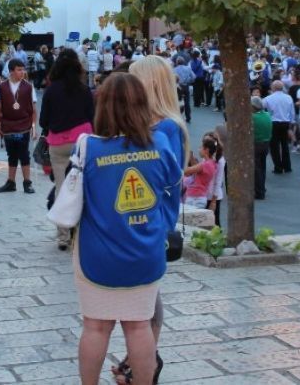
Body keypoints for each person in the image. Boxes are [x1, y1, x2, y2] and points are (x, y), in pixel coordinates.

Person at [74, 73, 182, 385]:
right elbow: (174, 188)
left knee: (95, 326)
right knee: (139, 326)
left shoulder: (89, 148)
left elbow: (74, 198)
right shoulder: (159, 143)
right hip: (145, 250)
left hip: (97, 254)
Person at [38, 49, 94, 251]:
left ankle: (63, 236)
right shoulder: (84, 90)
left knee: (62, 188)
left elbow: (43, 120)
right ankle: (79, 232)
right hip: (83, 143)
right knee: (83, 187)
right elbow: (92, 116)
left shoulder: (51, 91)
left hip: (59, 144)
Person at [0, 59, 37, 194]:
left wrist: (34, 127)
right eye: (19, 69)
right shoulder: (1, 87)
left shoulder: (29, 87)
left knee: (24, 154)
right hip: (7, 125)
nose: (22, 72)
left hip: (24, 124)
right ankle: (11, 182)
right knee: (11, 154)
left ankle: (27, 182)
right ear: (11, 71)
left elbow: (34, 109)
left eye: (23, 69)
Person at [263, 80, 296, 174]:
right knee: (285, 145)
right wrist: (292, 123)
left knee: (274, 146)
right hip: (285, 122)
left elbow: (260, 106)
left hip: (273, 122)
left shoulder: (268, 98)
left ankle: (278, 167)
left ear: (273, 88)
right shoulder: (288, 97)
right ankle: (287, 166)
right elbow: (292, 112)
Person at [183, 134, 219, 208]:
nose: (199, 149)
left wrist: (186, 157)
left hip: (194, 198)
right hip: (201, 196)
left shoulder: (204, 165)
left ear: (206, 150)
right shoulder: (213, 163)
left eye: (201, 147)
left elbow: (186, 171)